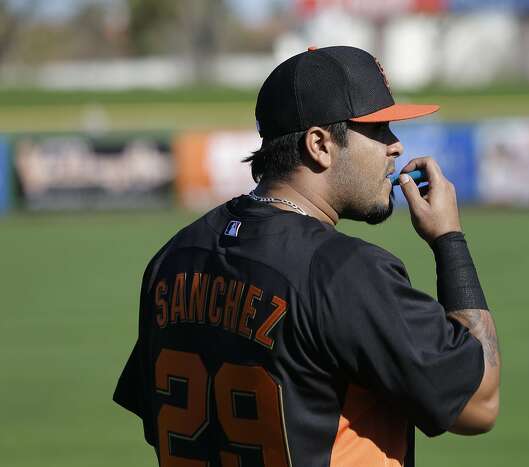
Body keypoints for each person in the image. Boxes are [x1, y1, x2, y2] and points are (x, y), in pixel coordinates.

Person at [114, 45, 500, 467]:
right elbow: (479, 404)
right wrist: (450, 240)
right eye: (379, 129)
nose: (395, 146)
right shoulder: (345, 272)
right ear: (319, 144)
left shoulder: (174, 257)